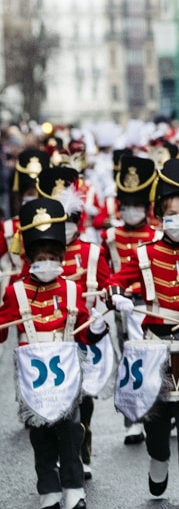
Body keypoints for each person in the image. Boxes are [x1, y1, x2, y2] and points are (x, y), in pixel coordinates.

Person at [110, 159, 179, 503]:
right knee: (157, 405)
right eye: (171, 212)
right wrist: (118, 297)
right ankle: (159, 456)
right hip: (155, 341)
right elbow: (116, 281)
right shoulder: (143, 253)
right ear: (160, 216)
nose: (178, 219)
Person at [0, 197, 107, 509]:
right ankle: (47, 488)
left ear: (61, 258)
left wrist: (98, 325)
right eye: (40, 257)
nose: (46, 263)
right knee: (40, 433)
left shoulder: (73, 291)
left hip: (67, 372)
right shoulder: (14, 292)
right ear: (30, 259)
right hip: (33, 377)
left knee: (71, 430)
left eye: (52, 257)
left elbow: (85, 335)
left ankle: (74, 488)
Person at [36, 166, 112, 480]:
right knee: (52, 398)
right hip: (50, 336)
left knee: (84, 396)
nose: (64, 229)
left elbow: (108, 287)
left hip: (84, 333)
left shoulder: (92, 252)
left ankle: (83, 448)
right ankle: (56, 456)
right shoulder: (40, 256)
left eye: (69, 222)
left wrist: (108, 299)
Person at [106, 154, 161, 445]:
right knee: (129, 362)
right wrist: (111, 296)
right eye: (125, 205)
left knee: (157, 359)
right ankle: (132, 419)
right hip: (124, 307)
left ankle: (162, 411)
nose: (131, 211)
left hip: (152, 305)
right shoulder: (111, 236)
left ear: (147, 207)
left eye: (137, 205)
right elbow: (105, 274)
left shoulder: (157, 235)